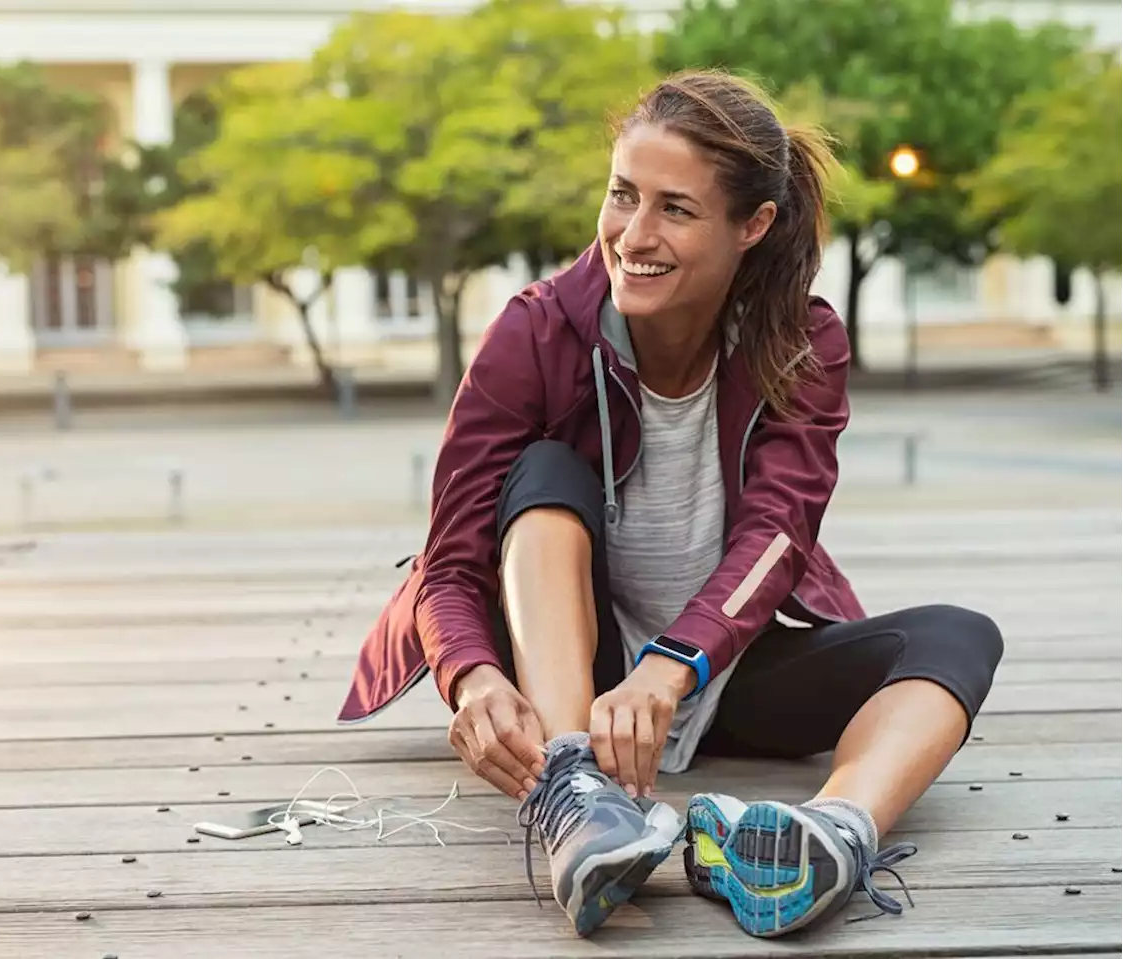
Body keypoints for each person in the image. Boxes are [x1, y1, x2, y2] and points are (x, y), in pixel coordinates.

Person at [338, 69, 1003, 939]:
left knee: (958, 635)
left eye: (675, 209)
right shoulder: (534, 333)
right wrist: (474, 675)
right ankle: (576, 798)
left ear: (752, 225)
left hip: (717, 670)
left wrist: (675, 664)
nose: (633, 234)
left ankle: (833, 834)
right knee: (542, 473)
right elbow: (452, 561)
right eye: (623, 196)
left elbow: (779, 535)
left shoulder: (802, 341)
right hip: (572, 679)